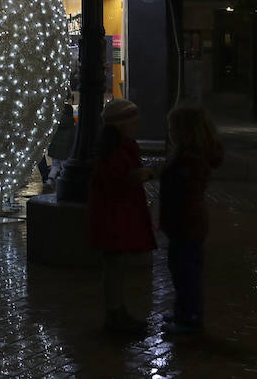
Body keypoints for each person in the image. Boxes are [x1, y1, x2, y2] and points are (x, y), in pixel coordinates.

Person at [87, 98, 156, 334]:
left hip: (117, 214)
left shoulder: (121, 146)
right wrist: (137, 176)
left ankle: (117, 311)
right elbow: (113, 181)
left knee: (117, 267)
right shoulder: (115, 150)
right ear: (120, 124)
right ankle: (114, 315)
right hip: (114, 216)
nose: (137, 124)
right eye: (132, 121)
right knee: (114, 267)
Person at [158, 104, 224, 333]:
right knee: (181, 270)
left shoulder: (190, 159)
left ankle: (190, 318)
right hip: (185, 222)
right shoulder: (189, 155)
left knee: (186, 271)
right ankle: (183, 312)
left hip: (186, 222)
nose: (169, 132)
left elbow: (182, 189)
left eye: (172, 128)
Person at [39, 102, 76, 188]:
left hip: (55, 151)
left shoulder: (56, 124)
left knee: (55, 166)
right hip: (66, 151)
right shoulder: (72, 126)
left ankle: (50, 180)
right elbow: (73, 139)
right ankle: (64, 183)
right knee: (64, 167)